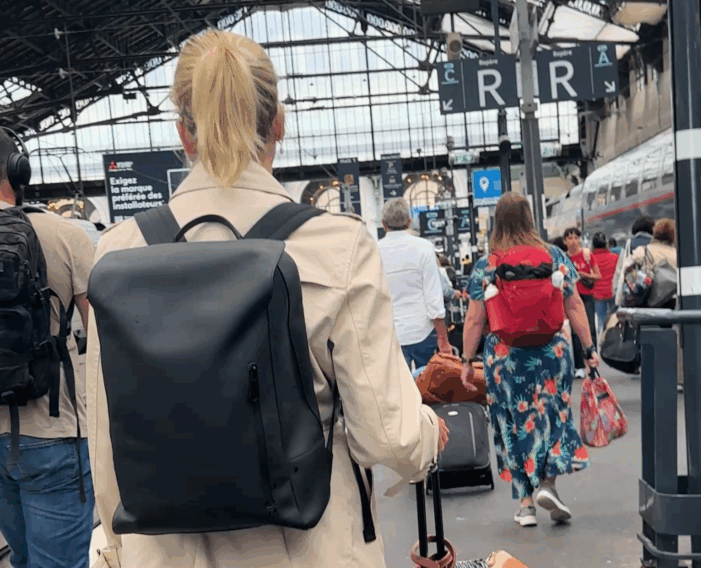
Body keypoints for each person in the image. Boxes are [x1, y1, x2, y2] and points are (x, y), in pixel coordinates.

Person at [85, 29, 446, 568]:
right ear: (278, 121)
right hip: (311, 548)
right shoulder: (337, 245)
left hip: (169, 555)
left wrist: (115, 551)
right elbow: (387, 437)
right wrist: (429, 436)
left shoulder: (119, 253)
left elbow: (106, 443)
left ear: (185, 134)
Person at [459, 193, 598, 528]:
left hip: (505, 357)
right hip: (553, 352)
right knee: (551, 416)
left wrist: (466, 360)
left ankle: (525, 505)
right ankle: (548, 483)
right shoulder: (555, 255)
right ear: (530, 219)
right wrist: (590, 350)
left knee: (512, 424)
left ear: (498, 221)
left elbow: (475, 320)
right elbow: (575, 306)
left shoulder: (487, 265)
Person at [0, 129, 97, 568]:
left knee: (21, 560)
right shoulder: (64, 234)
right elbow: (104, 336)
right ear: (19, 171)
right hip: (54, 431)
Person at [379, 198, 453, 369]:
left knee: (400, 391)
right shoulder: (425, 248)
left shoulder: (375, 251)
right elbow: (433, 297)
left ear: (384, 224)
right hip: (423, 332)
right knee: (428, 388)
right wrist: (443, 341)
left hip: (392, 335)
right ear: (409, 222)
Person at [564, 227, 601, 378]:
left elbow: (598, 276)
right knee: (574, 332)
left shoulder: (586, 255)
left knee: (589, 328)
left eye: (575, 237)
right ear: (565, 241)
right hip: (571, 297)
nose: (573, 240)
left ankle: (591, 361)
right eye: (570, 238)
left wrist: (585, 275)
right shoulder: (564, 258)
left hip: (587, 295)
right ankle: (579, 366)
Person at [630, 218, 678, 309]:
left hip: (647, 304)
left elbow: (628, 274)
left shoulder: (643, 251)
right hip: (671, 304)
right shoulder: (677, 255)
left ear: (654, 233)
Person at [613, 215, 655, 305]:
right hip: (651, 290)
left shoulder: (628, 244)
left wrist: (616, 290)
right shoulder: (655, 244)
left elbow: (619, 269)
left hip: (631, 291)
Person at [591, 232, 619, 331]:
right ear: (606, 244)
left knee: (600, 321)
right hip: (612, 292)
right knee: (614, 319)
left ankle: (601, 343)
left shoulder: (591, 259)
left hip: (597, 294)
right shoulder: (615, 257)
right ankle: (613, 340)